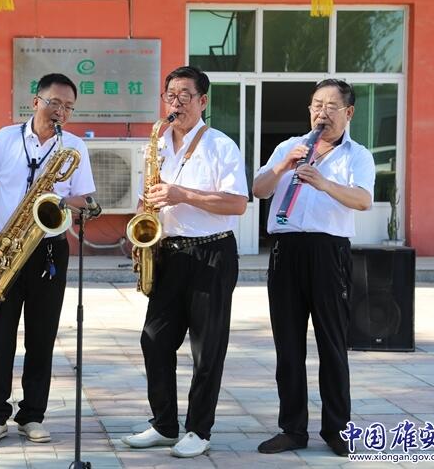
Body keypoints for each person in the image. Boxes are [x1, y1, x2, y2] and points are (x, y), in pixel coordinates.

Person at [122, 65, 248, 458]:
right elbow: (148, 196)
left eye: (185, 96)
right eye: (170, 96)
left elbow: (237, 203)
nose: (176, 104)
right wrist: (140, 229)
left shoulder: (221, 145)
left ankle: (198, 429)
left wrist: (183, 194)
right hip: (169, 252)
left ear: (203, 101)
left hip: (212, 252)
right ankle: (164, 424)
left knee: (206, 348)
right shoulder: (156, 144)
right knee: (154, 339)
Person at [0, 73, 96, 447]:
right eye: (55, 102)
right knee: (0, 335)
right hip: (4, 245)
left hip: (49, 247)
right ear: (35, 101)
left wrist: (56, 201)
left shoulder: (73, 147)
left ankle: (32, 415)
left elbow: (86, 201)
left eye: (69, 106)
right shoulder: (5, 138)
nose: (61, 111)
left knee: (42, 336)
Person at [252, 79, 375, 457]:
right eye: (317, 105)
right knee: (288, 345)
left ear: (348, 113)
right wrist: (282, 167)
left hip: (328, 253)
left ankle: (337, 429)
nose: (322, 112)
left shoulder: (357, 155)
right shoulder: (289, 147)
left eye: (331, 106)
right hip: (286, 251)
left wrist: (323, 183)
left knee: (332, 344)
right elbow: (258, 189)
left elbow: (363, 200)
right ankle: (292, 429)